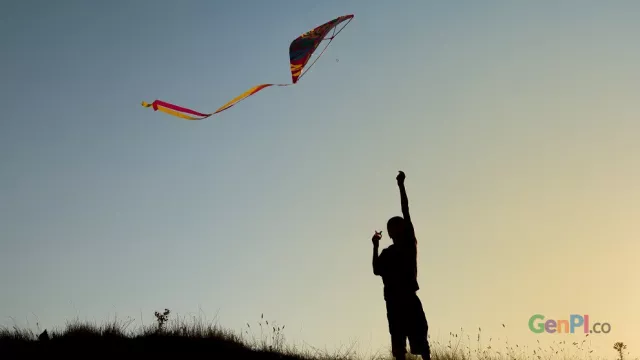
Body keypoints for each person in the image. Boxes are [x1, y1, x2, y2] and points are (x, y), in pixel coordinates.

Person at [372, 171, 430, 360]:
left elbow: (406, 209)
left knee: (420, 338)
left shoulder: (408, 244)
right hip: (393, 301)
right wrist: (375, 247)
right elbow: (376, 270)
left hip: (408, 297)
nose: (396, 228)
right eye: (393, 227)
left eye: (399, 225)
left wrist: (401, 186)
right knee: (397, 342)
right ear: (389, 232)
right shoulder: (387, 253)